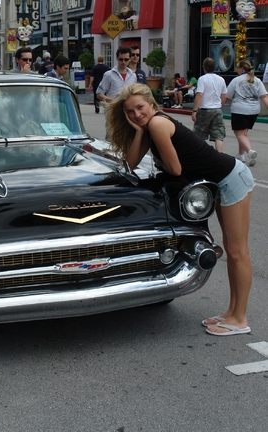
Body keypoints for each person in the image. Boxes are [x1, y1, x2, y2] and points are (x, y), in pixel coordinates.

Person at [106, 83, 254, 337]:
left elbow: (174, 170)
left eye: (140, 107)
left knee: (238, 251)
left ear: (152, 104)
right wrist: (138, 133)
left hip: (231, 178)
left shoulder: (158, 124)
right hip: (221, 182)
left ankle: (240, 318)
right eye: (130, 112)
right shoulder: (149, 127)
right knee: (232, 250)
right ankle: (232, 312)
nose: (136, 115)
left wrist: (145, 130)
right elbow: (129, 164)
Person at [225, 59, 268, 166]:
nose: (237, 70)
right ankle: (240, 154)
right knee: (244, 133)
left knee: (239, 133)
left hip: (240, 109)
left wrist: (218, 105)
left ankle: (249, 151)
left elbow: (227, 97)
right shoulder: (257, 80)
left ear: (242, 68)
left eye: (238, 67)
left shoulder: (236, 80)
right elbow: (264, 96)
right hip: (253, 110)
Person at [192, 57, 227, 152]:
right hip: (217, 109)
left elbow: (199, 94)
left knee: (199, 133)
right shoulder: (221, 79)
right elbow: (224, 96)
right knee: (218, 134)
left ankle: (199, 153)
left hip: (205, 109)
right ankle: (219, 155)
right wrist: (220, 104)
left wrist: (194, 110)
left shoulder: (202, 79)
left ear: (204, 68)